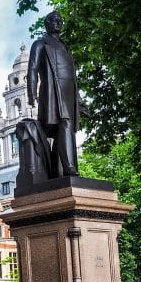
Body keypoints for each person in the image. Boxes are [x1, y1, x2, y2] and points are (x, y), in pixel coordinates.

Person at [27, 10, 86, 178]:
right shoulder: (40, 44)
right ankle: (69, 169)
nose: (58, 22)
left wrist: (78, 100)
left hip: (68, 95)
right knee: (64, 125)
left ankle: (58, 170)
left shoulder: (65, 46)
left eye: (60, 20)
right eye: (54, 20)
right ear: (47, 23)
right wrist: (31, 95)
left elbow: (73, 77)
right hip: (53, 93)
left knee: (67, 130)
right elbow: (32, 70)